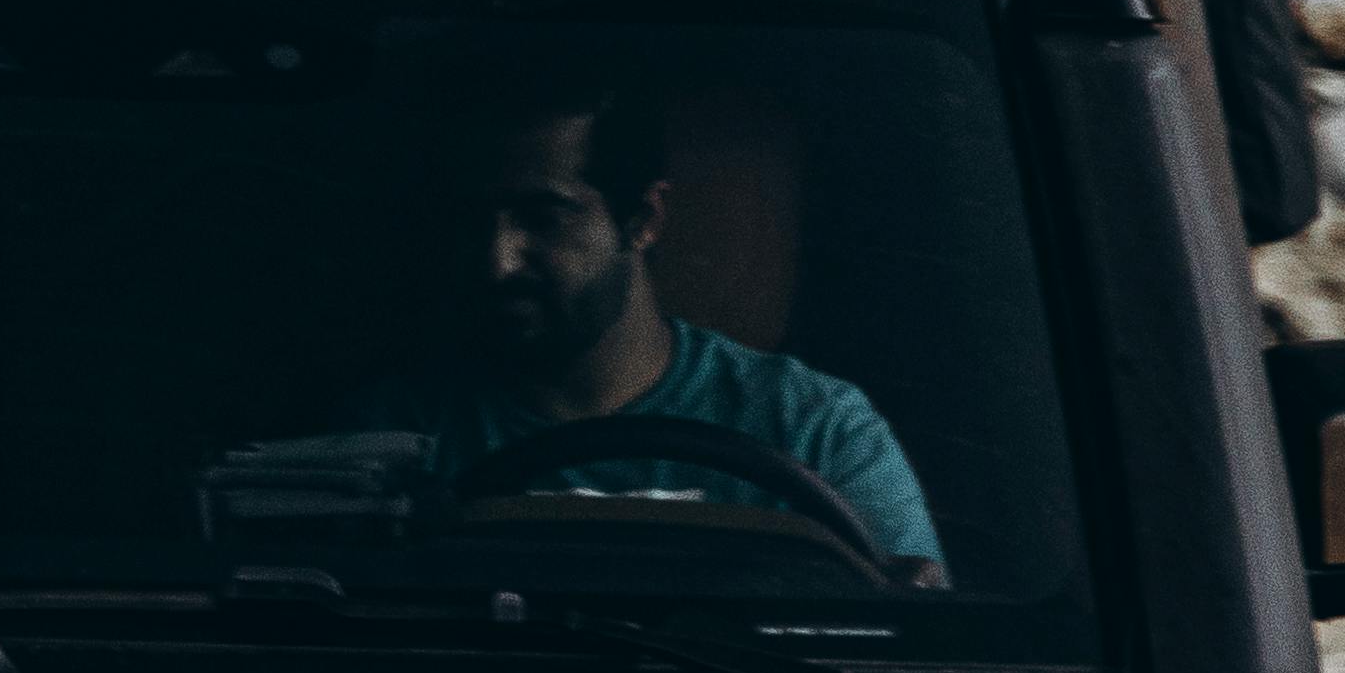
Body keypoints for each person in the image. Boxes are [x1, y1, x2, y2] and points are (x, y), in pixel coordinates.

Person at [375, 76, 945, 579]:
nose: (497, 262)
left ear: (644, 218)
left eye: (543, 218)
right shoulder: (393, 438)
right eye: (474, 221)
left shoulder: (813, 428)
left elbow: (912, 646)